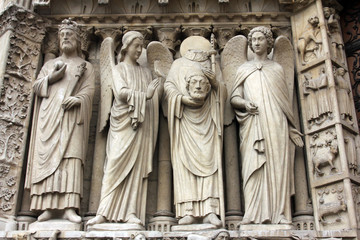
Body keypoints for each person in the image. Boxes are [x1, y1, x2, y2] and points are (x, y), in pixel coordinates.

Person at [230, 26, 303, 224]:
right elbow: (234, 97)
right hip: (253, 122)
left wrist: (290, 127)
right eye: (253, 39)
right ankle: (253, 214)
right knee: (252, 167)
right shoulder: (243, 69)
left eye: (261, 39)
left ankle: (280, 213)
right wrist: (245, 103)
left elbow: (285, 103)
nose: (256, 42)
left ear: (269, 43)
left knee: (277, 166)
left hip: (276, 122)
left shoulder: (277, 69)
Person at [87, 31, 160, 226]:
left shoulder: (145, 72)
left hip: (140, 126)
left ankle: (130, 211)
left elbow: (152, 103)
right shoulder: (118, 69)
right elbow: (120, 93)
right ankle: (103, 212)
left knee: (135, 169)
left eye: (141, 46)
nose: (140, 50)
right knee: (113, 165)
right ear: (126, 47)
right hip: (121, 123)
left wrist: (156, 92)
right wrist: (147, 95)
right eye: (137, 45)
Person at [25, 19, 95, 223]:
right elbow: (37, 87)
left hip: (72, 119)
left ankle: (68, 207)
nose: (65, 38)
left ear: (78, 40)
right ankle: (46, 206)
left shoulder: (86, 66)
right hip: (48, 117)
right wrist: (52, 78)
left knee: (71, 158)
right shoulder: (48, 65)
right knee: (47, 159)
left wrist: (78, 99)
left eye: (70, 35)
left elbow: (90, 91)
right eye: (62, 35)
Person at [164, 42, 226, 227]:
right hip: (184, 119)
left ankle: (210, 209)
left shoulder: (212, 63)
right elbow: (168, 87)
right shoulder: (178, 64)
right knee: (184, 163)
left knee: (210, 162)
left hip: (208, 118)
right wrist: (182, 99)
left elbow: (222, 90)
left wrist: (215, 83)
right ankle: (187, 210)